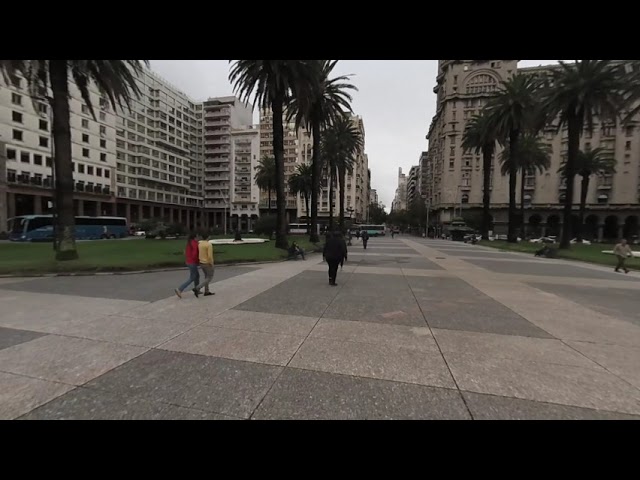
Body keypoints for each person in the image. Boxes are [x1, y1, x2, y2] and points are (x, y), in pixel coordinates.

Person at [175, 233, 200, 299]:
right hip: (192, 262)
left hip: (189, 261)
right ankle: (180, 289)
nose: (198, 238)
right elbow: (195, 254)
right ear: (195, 237)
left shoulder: (189, 242)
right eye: (197, 236)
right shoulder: (194, 243)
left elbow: (185, 252)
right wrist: (197, 260)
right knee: (193, 277)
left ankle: (197, 289)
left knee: (197, 276)